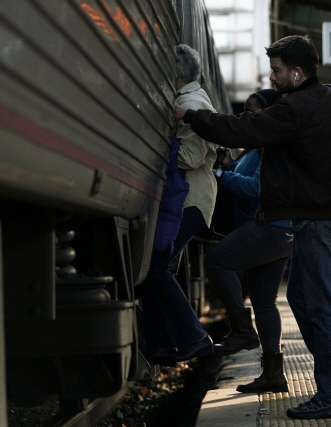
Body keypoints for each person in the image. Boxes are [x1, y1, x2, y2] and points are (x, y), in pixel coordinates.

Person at [173, 35, 331, 419]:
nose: (272, 78)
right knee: (305, 300)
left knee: (320, 305)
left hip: (314, 216)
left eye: (277, 70)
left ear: (296, 71)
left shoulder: (297, 106)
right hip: (323, 213)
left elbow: (242, 129)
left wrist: (191, 116)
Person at [204, 89, 294, 394]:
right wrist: (229, 167)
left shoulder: (271, 145)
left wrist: (219, 175)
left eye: (253, 113)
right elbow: (245, 175)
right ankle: (273, 374)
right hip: (277, 231)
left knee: (217, 261)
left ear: (268, 113)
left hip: (269, 227)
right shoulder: (256, 147)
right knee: (264, 302)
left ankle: (242, 331)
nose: (247, 119)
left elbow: (257, 187)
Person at [140, 44, 216, 366]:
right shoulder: (189, 98)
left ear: (175, 73)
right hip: (186, 199)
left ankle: (195, 338)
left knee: (156, 268)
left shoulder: (190, 102)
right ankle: (160, 344)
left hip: (190, 199)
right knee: (157, 268)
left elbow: (191, 156)